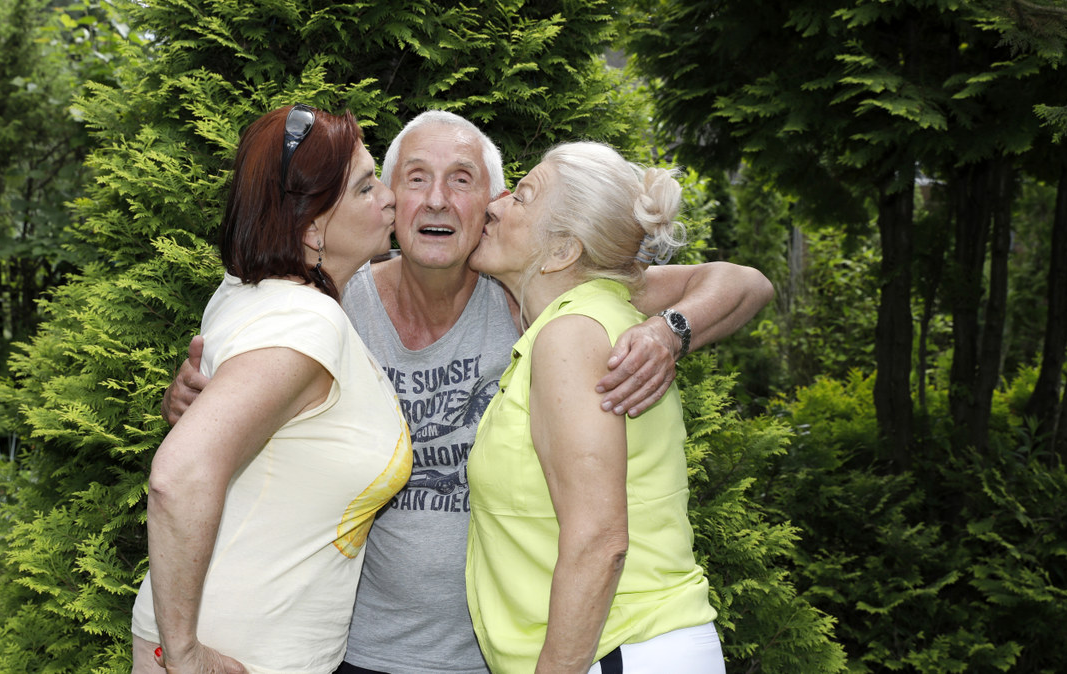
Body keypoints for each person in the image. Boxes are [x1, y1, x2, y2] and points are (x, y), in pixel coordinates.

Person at [162, 111, 774, 674]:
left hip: (520, 653)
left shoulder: (541, 300)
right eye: (414, 178)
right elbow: (221, 429)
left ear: (490, 203)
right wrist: (198, 399)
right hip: (362, 649)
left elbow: (742, 282)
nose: (436, 199)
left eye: (462, 180)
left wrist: (670, 332)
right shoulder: (333, 305)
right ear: (390, 199)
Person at [130, 104, 413, 674]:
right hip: (241, 654)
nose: (390, 199)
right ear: (311, 231)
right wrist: (184, 656)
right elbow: (177, 477)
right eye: (364, 189)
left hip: (241, 636)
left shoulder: (247, 289)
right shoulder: (307, 322)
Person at [465, 141, 724, 673]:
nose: (495, 203)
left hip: (617, 651)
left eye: (523, 197)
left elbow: (599, 541)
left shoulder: (572, 336)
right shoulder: (597, 319)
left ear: (562, 251)